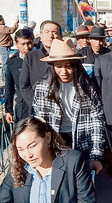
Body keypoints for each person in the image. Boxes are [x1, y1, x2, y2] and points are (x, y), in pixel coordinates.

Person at [32, 39, 106, 172]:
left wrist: (95, 155)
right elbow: (40, 122)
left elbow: (96, 122)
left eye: (68, 66)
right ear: (52, 66)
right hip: (55, 142)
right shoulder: (43, 88)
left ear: (75, 66)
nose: (64, 71)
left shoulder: (87, 87)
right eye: (58, 66)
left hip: (82, 142)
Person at [20, 20, 62, 109]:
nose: (51, 36)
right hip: (38, 108)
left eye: (54, 32)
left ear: (61, 36)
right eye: (47, 32)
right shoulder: (31, 57)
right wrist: (36, 105)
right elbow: (24, 85)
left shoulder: (68, 57)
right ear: (41, 36)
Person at [5, 28, 34, 124]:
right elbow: (9, 87)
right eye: (23, 44)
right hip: (22, 107)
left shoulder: (40, 59)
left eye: (29, 43)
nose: (27, 47)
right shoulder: (12, 62)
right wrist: (8, 110)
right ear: (17, 45)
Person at [0, 15, 19, 81]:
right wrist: (16, 23)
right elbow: (11, 30)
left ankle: (4, 77)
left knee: (6, 62)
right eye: (3, 20)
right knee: (5, 63)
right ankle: (4, 77)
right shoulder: (1, 27)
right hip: (3, 47)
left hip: (4, 46)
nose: (4, 21)